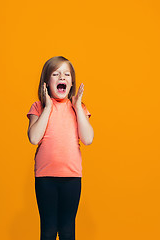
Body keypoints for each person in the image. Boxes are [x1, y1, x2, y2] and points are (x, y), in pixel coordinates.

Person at [26, 56, 94, 240]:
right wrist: (48, 107)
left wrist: (78, 107)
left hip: (72, 178)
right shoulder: (39, 107)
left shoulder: (78, 108)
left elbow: (87, 139)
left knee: (67, 231)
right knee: (48, 230)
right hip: (45, 178)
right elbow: (33, 138)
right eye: (56, 74)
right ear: (47, 82)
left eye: (66, 74)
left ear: (72, 82)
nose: (61, 77)